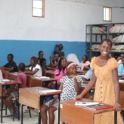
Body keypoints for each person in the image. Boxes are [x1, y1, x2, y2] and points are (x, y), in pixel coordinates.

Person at [76, 39, 122, 124]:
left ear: (111, 49)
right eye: (103, 46)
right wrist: (81, 94)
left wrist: (117, 102)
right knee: (98, 117)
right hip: (98, 95)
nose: (105, 49)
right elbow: (92, 80)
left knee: (109, 117)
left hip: (109, 95)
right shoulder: (94, 61)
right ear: (99, 47)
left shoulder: (112, 62)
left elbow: (116, 83)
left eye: (108, 47)